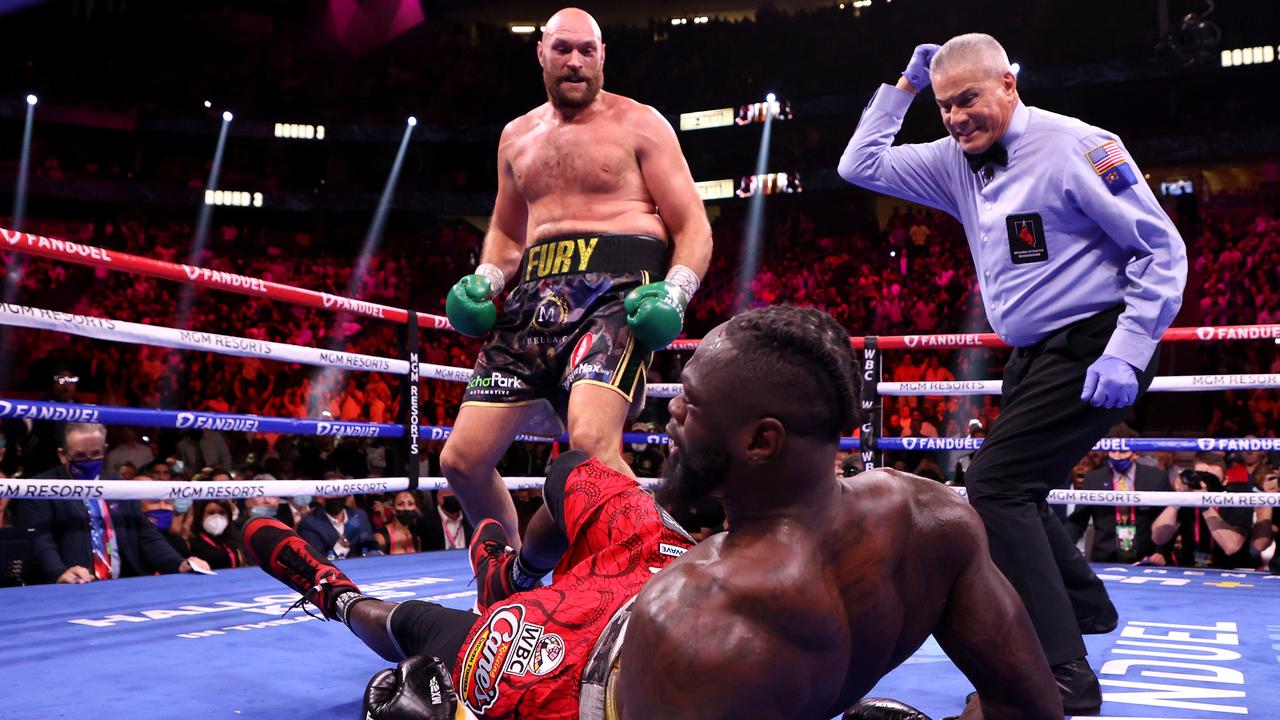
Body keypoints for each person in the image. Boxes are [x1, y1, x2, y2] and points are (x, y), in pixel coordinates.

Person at [242, 306, 1060, 720]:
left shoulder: (699, 625)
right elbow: (1029, 707)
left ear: (762, 439)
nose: (668, 414)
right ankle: (509, 570)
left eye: (691, 405)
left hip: (586, 671)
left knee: (425, 632)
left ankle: (334, 590)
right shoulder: (935, 518)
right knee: (574, 470)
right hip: (657, 558)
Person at [838, 33, 1188, 713]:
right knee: (1017, 488)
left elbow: (1161, 248)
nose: (955, 118)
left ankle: (1066, 676)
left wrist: (1130, 346)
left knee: (996, 487)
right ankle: (1082, 604)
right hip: (1031, 356)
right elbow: (860, 163)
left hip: (1095, 340)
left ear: (1007, 82)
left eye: (966, 99)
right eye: (944, 108)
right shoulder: (952, 160)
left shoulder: (1079, 145)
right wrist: (903, 90)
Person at [439, 7, 713, 546]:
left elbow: (694, 227)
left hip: (614, 296)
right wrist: (487, 278)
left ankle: (669, 567)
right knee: (462, 461)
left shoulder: (640, 122)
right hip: (531, 302)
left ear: (603, 56)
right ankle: (510, 578)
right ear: (541, 52)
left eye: (587, 50)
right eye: (563, 48)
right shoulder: (516, 137)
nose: (575, 61)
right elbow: (506, 233)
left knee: (589, 445)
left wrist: (676, 293)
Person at [10, 422, 210, 583]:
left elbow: (145, 534)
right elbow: (40, 539)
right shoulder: (41, 488)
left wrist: (179, 563)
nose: (88, 460)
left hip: (123, 584)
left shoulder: (117, 485)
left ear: (105, 450)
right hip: (74, 586)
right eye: (80, 455)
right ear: (63, 455)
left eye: (95, 453)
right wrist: (58, 572)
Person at [1065, 440, 1177, 564]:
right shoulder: (1094, 479)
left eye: (1123, 451)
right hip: (1105, 558)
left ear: (1135, 453)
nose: (1117, 456)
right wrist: (1061, 550)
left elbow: (1166, 521)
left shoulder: (1156, 477)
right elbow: (1078, 521)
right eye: (1113, 451)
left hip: (1147, 559)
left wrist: (1160, 553)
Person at [297, 491, 381, 559]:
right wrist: (344, 540)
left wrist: (374, 551)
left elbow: (371, 545)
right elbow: (319, 561)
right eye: (331, 494)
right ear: (321, 498)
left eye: (339, 494)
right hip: (334, 575)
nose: (335, 497)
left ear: (346, 496)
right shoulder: (309, 524)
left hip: (363, 570)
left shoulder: (359, 515)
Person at [187, 500, 242, 570]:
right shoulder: (191, 544)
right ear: (201, 518)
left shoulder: (234, 541)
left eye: (221, 513)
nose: (217, 517)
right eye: (211, 513)